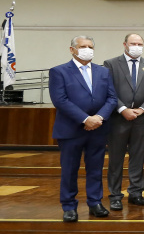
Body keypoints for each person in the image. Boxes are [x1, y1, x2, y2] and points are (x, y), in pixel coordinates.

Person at [49, 35, 118, 222]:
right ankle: (69, 206)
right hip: (71, 130)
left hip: (98, 129)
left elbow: (112, 98)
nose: (87, 49)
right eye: (83, 46)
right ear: (72, 49)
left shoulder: (103, 72)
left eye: (90, 46)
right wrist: (85, 119)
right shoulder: (59, 71)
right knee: (69, 170)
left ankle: (95, 202)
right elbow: (60, 100)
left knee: (95, 169)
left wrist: (99, 118)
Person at [103, 33, 144, 211]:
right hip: (118, 119)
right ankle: (115, 195)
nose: (137, 46)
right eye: (133, 43)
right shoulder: (111, 64)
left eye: (140, 43)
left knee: (138, 158)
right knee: (116, 159)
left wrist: (142, 109)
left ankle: (136, 192)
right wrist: (123, 109)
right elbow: (108, 89)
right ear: (125, 44)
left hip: (141, 119)